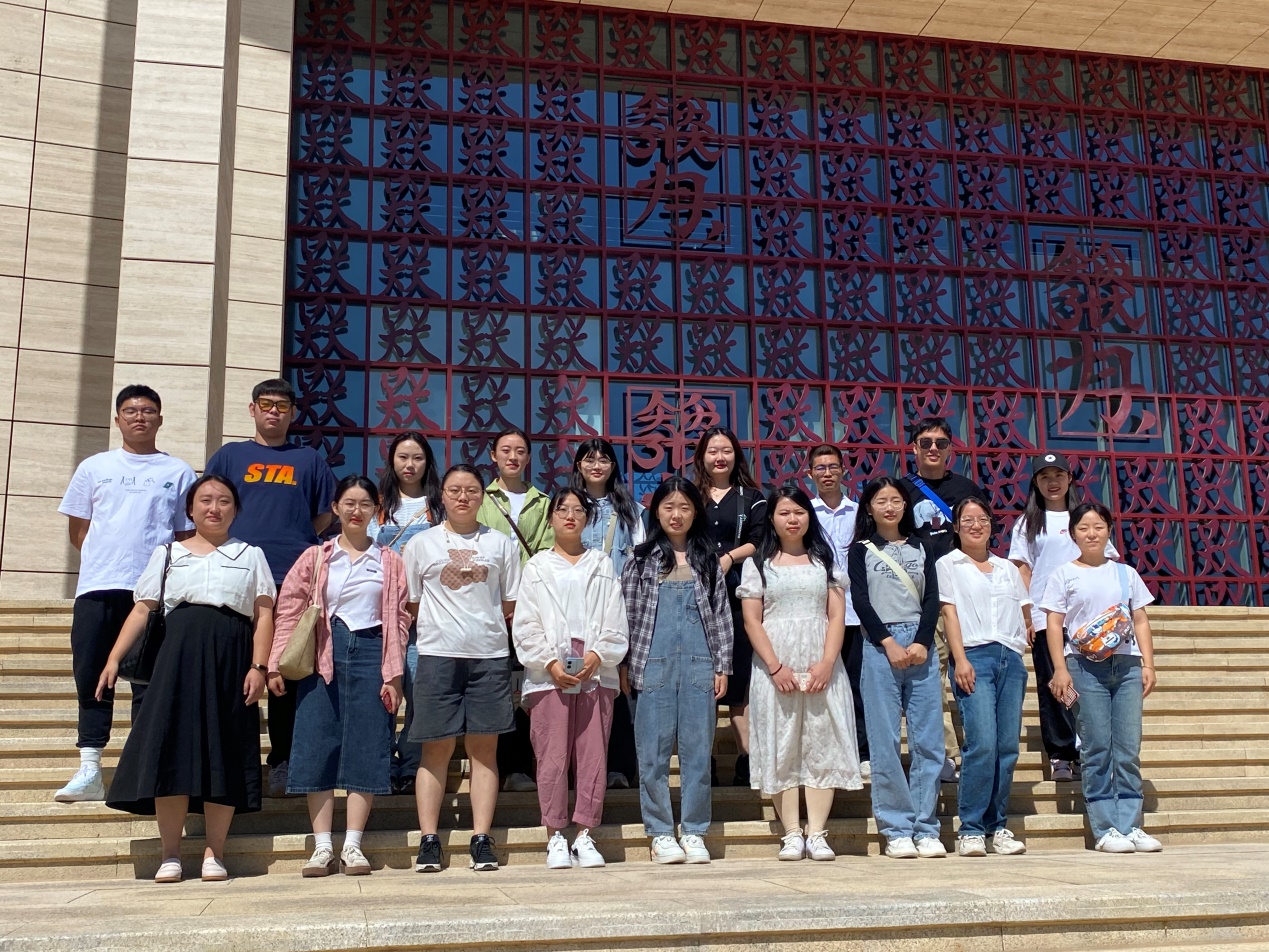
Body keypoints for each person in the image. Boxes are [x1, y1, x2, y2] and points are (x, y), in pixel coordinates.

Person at [96, 475, 276, 883]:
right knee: (171, 750)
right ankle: (170, 853)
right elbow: (142, 609)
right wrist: (114, 657)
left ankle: (215, 853)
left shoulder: (251, 555)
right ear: (190, 509)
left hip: (231, 659)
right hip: (176, 659)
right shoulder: (167, 553)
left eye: (224, 501)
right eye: (205, 500)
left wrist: (259, 667)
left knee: (224, 750)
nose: (214, 508)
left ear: (236, 510)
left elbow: (264, 615)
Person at [54, 385, 197, 803]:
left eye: (148, 411)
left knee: (148, 681)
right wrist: (108, 561)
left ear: (160, 419)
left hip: (152, 594)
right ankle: (90, 768)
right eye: (131, 411)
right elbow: (79, 530)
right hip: (98, 587)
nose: (139, 417)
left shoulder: (178, 472)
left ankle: (142, 771)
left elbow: (185, 535)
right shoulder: (94, 467)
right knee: (92, 675)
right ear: (117, 419)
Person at [269, 476, 411, 877]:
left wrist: (394, 673)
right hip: (323, 652)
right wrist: (276, 661)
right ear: (335, 508)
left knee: (368, 742)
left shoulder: (389, 561)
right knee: (317, 741)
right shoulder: (317, 556)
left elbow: (400, 619)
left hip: (372, 651)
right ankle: (321, 847)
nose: (356, 511)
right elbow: (289, 608)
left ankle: (353, 844)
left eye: (365, 504)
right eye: (349, 503)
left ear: (376, 510)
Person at [204, 378, 337, 798]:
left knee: (284, 671)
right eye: (266, 404)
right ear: (252, 409)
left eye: (282, 405)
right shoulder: (229, 456)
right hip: (236, 574)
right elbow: (210, 505)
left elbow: (323, 515)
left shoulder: (308, 460)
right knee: (234, 667)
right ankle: (230, 760)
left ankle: (281, 760)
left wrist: (291, 539)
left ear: (293, 413)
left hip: (291, 577)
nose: (273, 411)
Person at [404, 464, 522, 873]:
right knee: (435, 749)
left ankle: (481, 838)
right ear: (442, 495)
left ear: (482, 496)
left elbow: (510, 602)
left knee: (484, 751)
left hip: (489, 655)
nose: (462, 497)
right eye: (454, 490)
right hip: (438, 655)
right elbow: (412, 602)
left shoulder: (501, 544)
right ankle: (429, 840)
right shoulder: (421, 544)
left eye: (471, 490)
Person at [739, 484, 862, 862]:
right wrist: (775, 667)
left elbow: (836, 616)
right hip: (775, 665)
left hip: (821, 662)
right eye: (784, 513)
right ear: (772, 520)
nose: (792, 519)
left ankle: (817, 833)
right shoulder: (758, 563)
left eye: (799, 512)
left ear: (809, 517)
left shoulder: (825, 561)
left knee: (822, 742)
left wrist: (827, 662)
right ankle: (792, 833)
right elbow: (752, 620)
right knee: (782, 745)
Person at [512, 488, 630, 870]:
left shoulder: (601, 564)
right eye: (562, 509)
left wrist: (598, 656)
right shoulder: (537, 567)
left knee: (592, 756)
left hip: (596, 671)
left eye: (578, 510)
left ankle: (585, 834)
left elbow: (615, 617)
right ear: (551, 518)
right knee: (552, 757)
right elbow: (525, 623)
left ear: (587, 518)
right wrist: (549, 663)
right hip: (550, 674)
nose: (570, 516)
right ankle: (555, 835)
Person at [621, 476, 733, 865]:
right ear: (656, 513)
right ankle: (660, 833)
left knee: (698, 752)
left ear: (695, 513)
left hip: (700, 663)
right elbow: (627, 615)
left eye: (684, 507)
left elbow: (721, 615)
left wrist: (722, 664)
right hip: (652, 663)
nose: (676, 514)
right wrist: (625, 664)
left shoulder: (707, 559)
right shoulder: (639, 560)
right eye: (668, 507)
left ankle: (695, 830)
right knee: (652, 754)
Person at [1040, 502, 1162, 855]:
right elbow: (1053, 624)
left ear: (1109, 530)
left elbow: (1140, 619)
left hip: (1126, 665)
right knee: (1096, 747)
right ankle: (1106, 827)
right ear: (1073, 534)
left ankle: (1131, 824)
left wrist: (1149, 664)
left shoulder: (1126, 573)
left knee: (1127, 747)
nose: (1091, 533)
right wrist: (1059, 668)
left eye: (1098, 527)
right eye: (1083, 528)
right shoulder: (1063, 574)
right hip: (1083, 666)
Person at [1009, 451, 1119, 783]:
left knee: (1090, 686)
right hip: (1047, 618)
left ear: (1070, 479)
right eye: (1044, 477)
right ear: (1035, 483)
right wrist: (1028, 616)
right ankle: (1061, 753)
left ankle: (1090, 751)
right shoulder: (1028, 523)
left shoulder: (1085, 518)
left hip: (1089, 620)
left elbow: (1106, 563)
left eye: (1058, 475)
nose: (1052, 482)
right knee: (1055, 686)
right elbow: (1022, 569)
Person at [848, 476, 944, 859]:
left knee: (928, 741)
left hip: (921, 645)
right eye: (881, 501)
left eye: (895, 500)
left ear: (906, 506)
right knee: (885, 741)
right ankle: (896, 828)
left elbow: (932, 598)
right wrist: (887, 642)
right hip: (879, 646)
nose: (889, 507)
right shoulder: (861, 550)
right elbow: (860, 600)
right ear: (869, 508)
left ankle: (926, 827)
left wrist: (921, 641)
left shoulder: (923, 546)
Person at [937, 497, 1031, 858]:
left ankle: (998, 825)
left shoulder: (1007, 568)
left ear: (992, 525)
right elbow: (950, 614)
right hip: (974, 656)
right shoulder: (948, 564)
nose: (976, 525)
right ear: (956, 527)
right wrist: (959, 659)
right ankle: (971, 828)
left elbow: (1022, 613)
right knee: (982, 744)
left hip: (1010, 659)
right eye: (967, 520)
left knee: (1007, 747)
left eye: (983, 519)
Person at [898, 417, 987, 784]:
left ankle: (978, 749)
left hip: (965, 593)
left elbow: (982, 538)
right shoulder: (902, 491)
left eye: (941, 442)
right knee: (930, 679)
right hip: (923, 597)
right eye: (925, 442)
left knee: (971, 672)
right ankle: (946, 753)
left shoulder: (967, 489)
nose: (933, 448)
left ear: (951, 449)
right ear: (914, 448)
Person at [476, 426, 553, 794]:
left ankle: (525, 765)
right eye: (505, 450)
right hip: (485, 607)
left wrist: (522, 600)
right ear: (493, 455)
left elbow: (545, 553)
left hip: (529, 609)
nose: (513, 456)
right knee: (497, 688)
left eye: (520, 450)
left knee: (526, 687)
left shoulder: (543, 502)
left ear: (528, 457)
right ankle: (501, 766)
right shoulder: (480, 498)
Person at [368, 432, 443, 796]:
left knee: (418, 691)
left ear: (428, 462)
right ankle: (382, 762)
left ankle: (411, 763)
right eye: (402, 457)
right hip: (383, 616)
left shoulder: (439, 507)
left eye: (417, 458)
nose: (410, 465)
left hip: (427, 615)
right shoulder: (378, 506)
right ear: (392, 461)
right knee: (382, 692)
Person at [569, 437, 644, 790]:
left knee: (619, 687)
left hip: (619, 611)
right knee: (577, 684)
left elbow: (641, 560)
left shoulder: (632, 511)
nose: (596, 465)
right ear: (579, 465)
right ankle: (577, 769)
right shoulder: (569, 506)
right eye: (589, 459)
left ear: (613, 466)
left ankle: (619, 767)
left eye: (603, 460)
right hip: (576, 609)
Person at [693, 426, 765, 787]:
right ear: (701, 457)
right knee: (702, 679)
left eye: (726, 451)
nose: (719, 457)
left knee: (739, 679)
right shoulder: (691, 495)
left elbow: (760, 539)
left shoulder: (751, 497)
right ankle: (701, 760)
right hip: (696, 596)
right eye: (712, 451)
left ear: (736, 455)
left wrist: (729, 558)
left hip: (739, 594)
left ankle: (746, 759)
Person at [806, 443, 868, 777]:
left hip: (856, 615)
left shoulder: (860, 513)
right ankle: (824, 751)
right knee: (822, 685)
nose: (827, 473)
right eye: (820, 468)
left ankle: (863, 752)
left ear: (843, 471)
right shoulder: (805, 513)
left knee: (858, 687)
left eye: (833, 467)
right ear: (810, 474)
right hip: (818, 615)